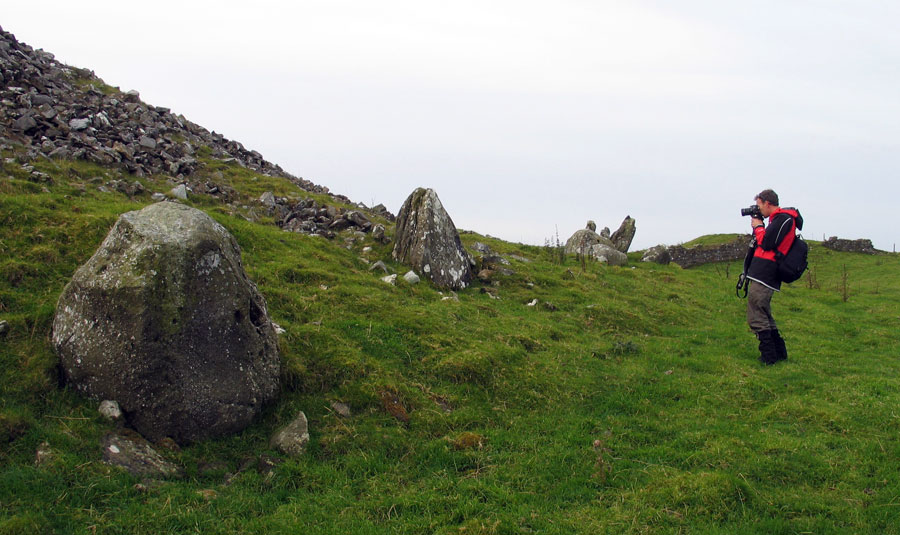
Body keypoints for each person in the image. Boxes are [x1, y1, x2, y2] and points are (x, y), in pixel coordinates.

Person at [746, 189, 803, 365]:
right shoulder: (780, 219)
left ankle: (768, 357)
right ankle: (779, 353)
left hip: (766, 274)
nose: (758, 209)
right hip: (765, 273)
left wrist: (758, 227)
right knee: (764, 313)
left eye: (759, 205)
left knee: (757, 314)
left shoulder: (783, 219)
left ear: (767, 203)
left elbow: (767, 243)